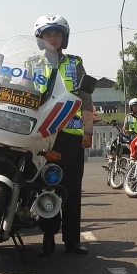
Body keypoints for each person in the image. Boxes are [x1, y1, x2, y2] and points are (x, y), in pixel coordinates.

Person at [33, 13, 93, 256]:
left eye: (57, 34)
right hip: (40, 133)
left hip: (70, 134)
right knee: (43, 185)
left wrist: (88, 131)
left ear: (64, 37)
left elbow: (86, 98)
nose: (53, 38)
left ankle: (72, 241)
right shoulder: (31, 64)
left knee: (71, 189)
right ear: (40, 38)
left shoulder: (74, 63)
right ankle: (47, 237)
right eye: (48, 34)